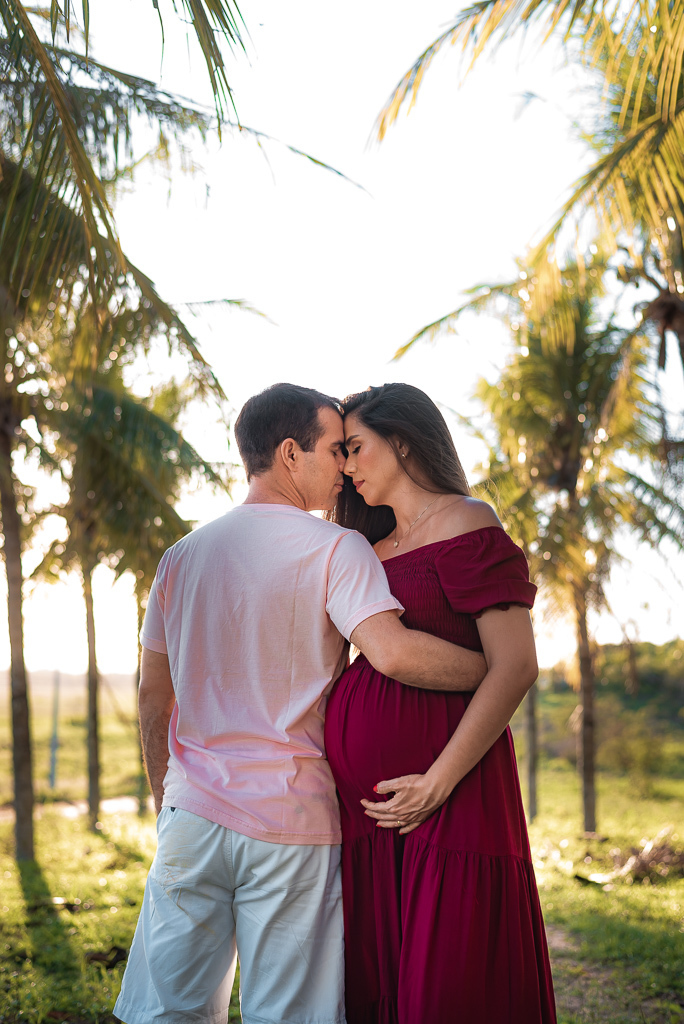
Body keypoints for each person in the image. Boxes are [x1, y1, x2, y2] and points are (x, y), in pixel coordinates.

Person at [114, 383, 488, 1024]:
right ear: (290, 453)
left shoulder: (180, 558)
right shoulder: (334, 548)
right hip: (292, 822)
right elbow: (391, 653)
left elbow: (154, 694)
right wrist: (495, 670)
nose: (345, 467)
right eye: (334, 449)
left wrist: (166, 799)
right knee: (289, 1016)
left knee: (166, 1013)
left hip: (192, 815)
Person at [324, 383, 557, 1024]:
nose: (345, 465)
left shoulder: (468, 521)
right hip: (367, 815)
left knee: (447, 980)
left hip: (453, 786)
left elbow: (515, 667)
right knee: (385, 977)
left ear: (401, 440)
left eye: (355, 447)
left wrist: (435, 783)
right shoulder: (364, 551)